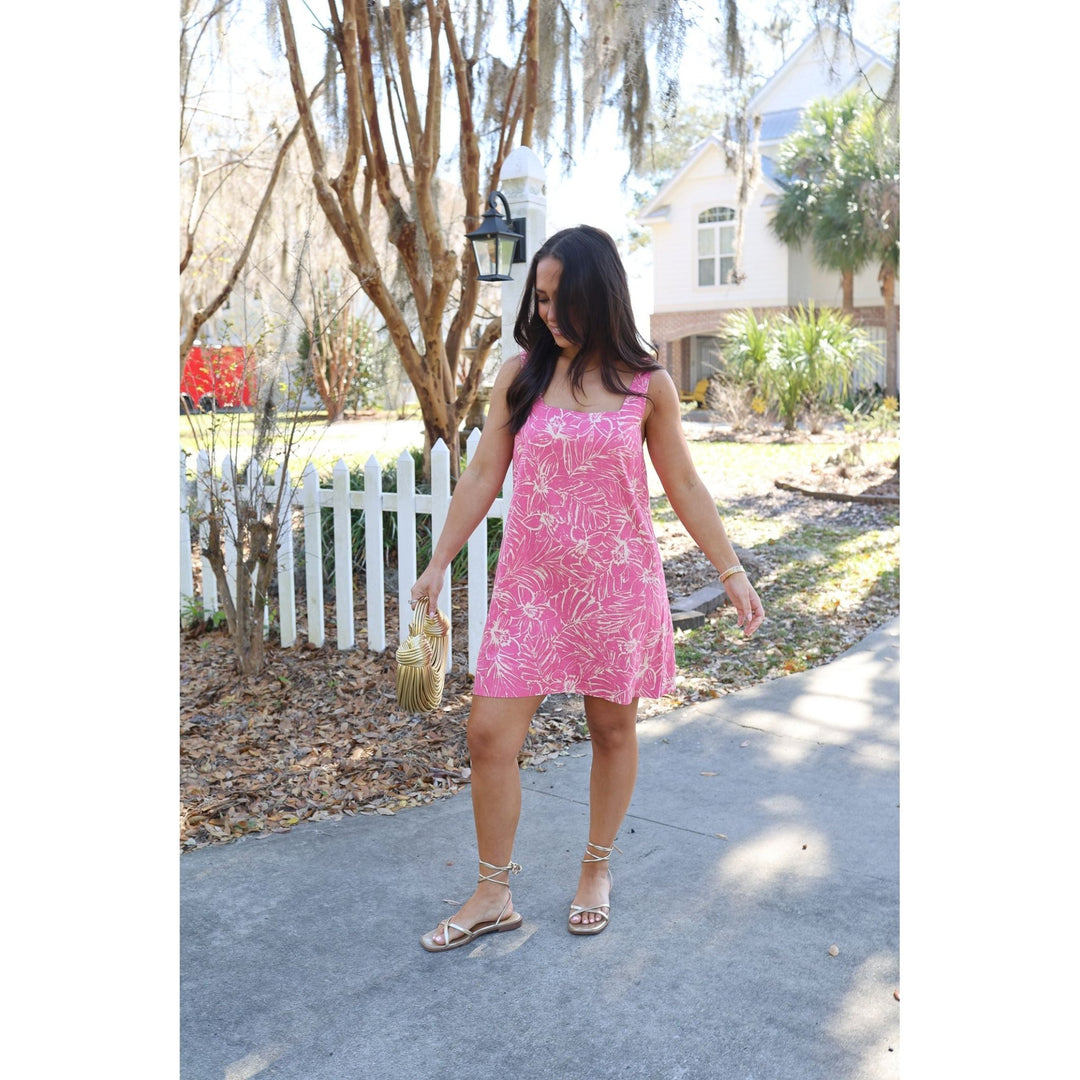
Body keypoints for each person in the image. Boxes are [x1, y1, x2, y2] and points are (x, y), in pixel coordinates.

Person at [411, 225, 764, 952]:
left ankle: (596, 869)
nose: (545, 313)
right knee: (487, 736)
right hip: (531, 588)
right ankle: (493, 892)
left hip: (615, 586)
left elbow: (685, 484)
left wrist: (729, 569)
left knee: (610, 729)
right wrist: (439, 560)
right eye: (537, 300)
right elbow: (482, 474)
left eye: (558, 299)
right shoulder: (522, 376)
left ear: (597, 296)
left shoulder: (647, 385)